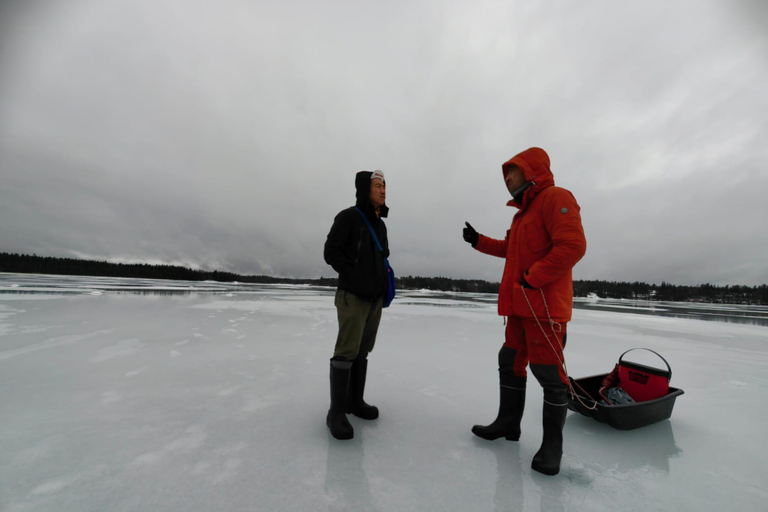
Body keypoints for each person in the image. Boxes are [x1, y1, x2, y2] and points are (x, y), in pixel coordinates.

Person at [463, 147, 586, 475]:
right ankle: (508, 424)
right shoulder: (521, 215)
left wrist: (534, 279)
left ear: (531, 170)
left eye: (512, 172)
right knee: (509, 361)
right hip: (519, 309)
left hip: (543, 310)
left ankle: (552, 449)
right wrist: (478, 241)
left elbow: (572, 246)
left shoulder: (555, 198)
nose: (506, 179)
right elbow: (509, 250)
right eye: (504, 174)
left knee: (549, 376)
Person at [323, 170, 390, 440]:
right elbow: (331, 252)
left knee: (362, 350)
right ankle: (336, 413)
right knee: (346, 352)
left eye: (384, 185)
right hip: (352, 296)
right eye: (377, 186)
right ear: (365, 189)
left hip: (374, 299)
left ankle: (355, 402)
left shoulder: (380, 225)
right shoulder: (348, 217)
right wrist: (353, 275)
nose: (383, 190)